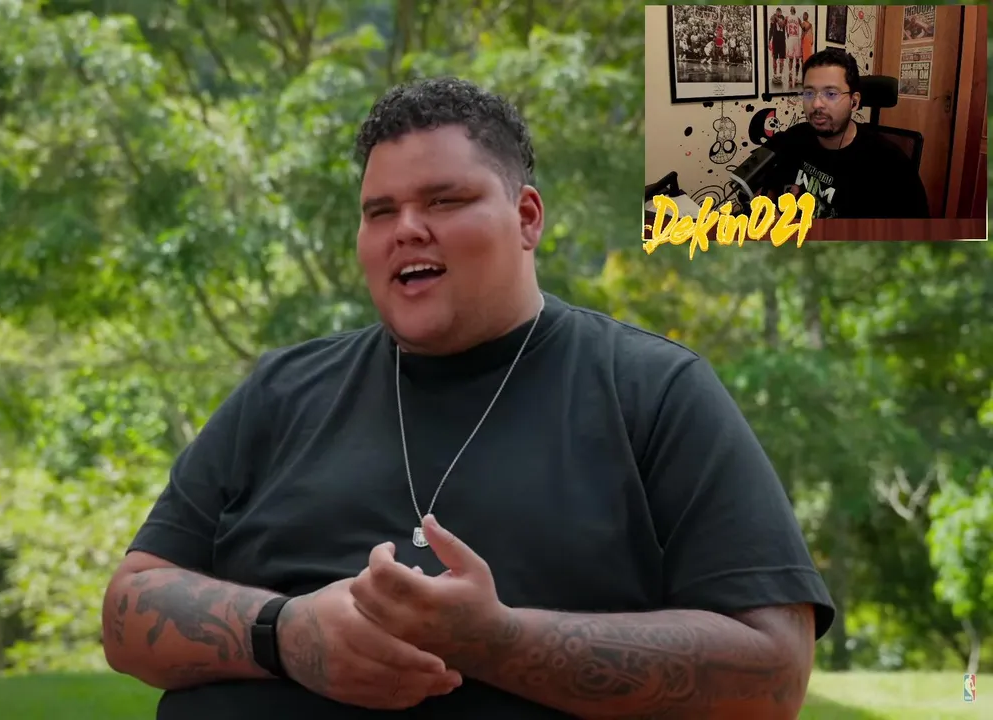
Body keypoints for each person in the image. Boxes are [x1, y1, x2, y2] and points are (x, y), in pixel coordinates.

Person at [103, 77, 836, 719]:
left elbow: (774, 674)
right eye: (379, 211)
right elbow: (126, 614)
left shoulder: (653, 390)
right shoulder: (280, 390)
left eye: (445, 200)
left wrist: (498, 641)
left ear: (527, 217)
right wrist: (284, 634)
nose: (406, 229)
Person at [763, 48, 930, 219]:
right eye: (809, 93)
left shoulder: (891, 166)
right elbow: (769, 186)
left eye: (831, 94)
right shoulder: (795, 137)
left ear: (854, 102)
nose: (816, 104)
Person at [785, 8, 803, 86]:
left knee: (792, 59)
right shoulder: (798, 18)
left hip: (792, 38)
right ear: (795, 11)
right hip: (795, 38)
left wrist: (787, 34)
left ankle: (792, 75)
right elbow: (803, 27)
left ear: (791, 11)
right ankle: (794, 76)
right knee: (795, 59)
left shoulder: (787, 17)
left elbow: (785, 27)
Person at [770, 8, 787, 82]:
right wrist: (769, 40)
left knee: (781, 59)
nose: (778, 13)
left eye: (779, 12)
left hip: (782, 40)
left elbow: (782, 24)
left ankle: (780, 75)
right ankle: (774, 74)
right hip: (775, 40)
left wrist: (776, 17)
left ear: (781, 12)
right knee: (774, 58)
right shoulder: (773, 18)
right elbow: (771, 29)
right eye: (777, 12)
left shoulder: (783, 17)